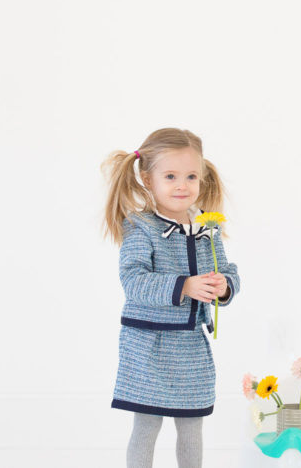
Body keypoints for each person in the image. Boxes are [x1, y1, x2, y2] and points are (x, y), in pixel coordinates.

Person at [100, 127, 241, 468]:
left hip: (190, 345)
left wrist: (225, 285)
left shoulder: (208, 227)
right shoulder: (141, 227)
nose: (182, 185)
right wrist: (184, 286)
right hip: (149, 344)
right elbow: (133, 280)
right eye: (171, 176)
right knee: (147, 424)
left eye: (191, 176)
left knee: (192, 425)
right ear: (148, 180)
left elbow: (227, 269)